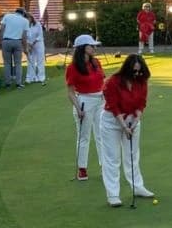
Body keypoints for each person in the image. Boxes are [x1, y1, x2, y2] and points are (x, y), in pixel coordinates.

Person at [99, 54, 155, 207]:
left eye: (139, 71)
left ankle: (138, 187)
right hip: (112, 121)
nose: (137, 74)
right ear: (127, 69)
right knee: (112, 158)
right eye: (134, 71)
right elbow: (113, 106)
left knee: (132, 155)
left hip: (132, 120)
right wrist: (124, 126)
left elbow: (142, 102)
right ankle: (113, 195)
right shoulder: (113, 82)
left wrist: (136, 121)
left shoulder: (141, 81)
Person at [65, 34, 106, 181]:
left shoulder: (96, 62)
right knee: (84, 137)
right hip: (84, 101)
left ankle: (104, 166)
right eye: (91, 46)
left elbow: (103, 81)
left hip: (100, 100)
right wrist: (78, 108)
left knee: (101, 135)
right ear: (83, 48)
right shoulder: (73, 68)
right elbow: (70, 92)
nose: (94, 48)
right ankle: (82, 169)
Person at [0, 6, 29, 88]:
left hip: (6, 41)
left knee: (7, 63)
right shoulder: (25, 21)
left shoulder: (7, 16)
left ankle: (7, 83)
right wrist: (25, 48)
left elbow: (1, 29)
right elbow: (24, 36)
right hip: (17, 42)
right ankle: (18, 83)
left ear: (16, 11)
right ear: (23, 13)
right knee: (18, 63)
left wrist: (0, 41)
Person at [24, 13, 46, 84]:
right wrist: (28, 45)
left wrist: (32, 43)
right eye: (26, 19)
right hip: (29, 44)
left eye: (28, 18)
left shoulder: (37, 24)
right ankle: (30, 77)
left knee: (40, 60)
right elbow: (25, 36)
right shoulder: (25, 26)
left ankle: (41, 77)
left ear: (31, 18)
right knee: (30, 60)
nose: (27, 20)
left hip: (39, 43)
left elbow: (40, 35)